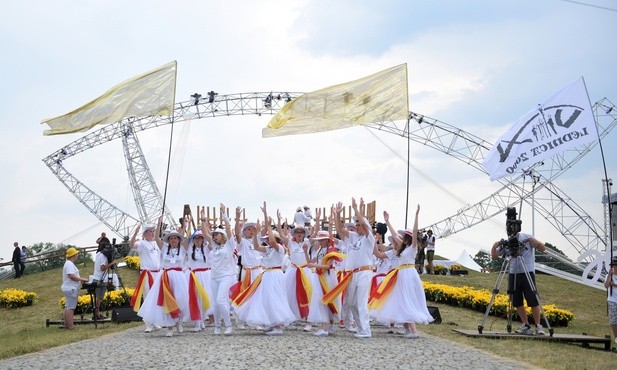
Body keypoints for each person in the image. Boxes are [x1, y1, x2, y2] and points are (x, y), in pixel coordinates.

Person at [369, 206, 434, 338]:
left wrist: (416, 215)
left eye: (404, 236)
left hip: (409, 273)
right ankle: (408, 329)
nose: (400, 238)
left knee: (407, 299)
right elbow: (393, 236)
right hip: (402, 274)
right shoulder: (402, 249)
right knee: (402, 300)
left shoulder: (413, 248)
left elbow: (415, 232)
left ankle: (414, 331)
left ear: (408, 238)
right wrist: (387, 221)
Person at [233, 202, 296, 335]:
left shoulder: (279, 248)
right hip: (267, 274)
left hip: (276, 274)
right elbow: (256, 247)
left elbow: (273, 242)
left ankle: (278, 327)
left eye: (269, 238)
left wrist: (268, 225)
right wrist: (256, 234)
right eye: (266, 238)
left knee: (275, 299)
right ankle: (273, 323)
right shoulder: (267, 249)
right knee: (267, 299)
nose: (267, 240)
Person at [490, 225, 546, 335]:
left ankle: (538, 326)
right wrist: (494, 246)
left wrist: (536, 242)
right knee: (516, 300)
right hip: (513, 272)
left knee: (532, 299)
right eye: (509, 230)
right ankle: (525, 325)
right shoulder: (506, 242)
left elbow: (543, 248)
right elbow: (495, 256)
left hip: (527, 271)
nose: (512, 232)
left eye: (513, 229)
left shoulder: (526, 237)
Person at [334, 198, 375, 338]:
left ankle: (366, 330)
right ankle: (360, 327)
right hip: (352, 274)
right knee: (351, 303)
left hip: (364, 272)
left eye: (359, 224)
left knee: (361, 303)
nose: (357, 226)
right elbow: (339, 229)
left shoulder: (369, 238)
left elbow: (363, 223)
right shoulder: (353, 237)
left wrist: (356, 208)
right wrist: (337, 214)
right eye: (356, 225)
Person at [138, 225, 190, 337]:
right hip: (166, 276)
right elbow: (157, 238)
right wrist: (158, 224)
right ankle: (170, 327)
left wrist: (187, 224)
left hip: (179, 277)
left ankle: (179, 321)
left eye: (175, 238)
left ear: (179, 239)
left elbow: (188, 236)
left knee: (181, 300)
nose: (173, 240)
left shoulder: (183, 248)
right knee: (167, 301)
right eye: (171, 238)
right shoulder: (164, 248)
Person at [202, 204, 236, 335]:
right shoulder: (214, 246)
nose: (214, 236)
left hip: (226, 276)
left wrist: (224, 214)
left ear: (222, 236)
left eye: (217, 234)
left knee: (221, 301)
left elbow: (229, 229)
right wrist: (203, 219)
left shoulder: (229, 245)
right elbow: (205, 233)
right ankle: (217, 327)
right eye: (214, 234)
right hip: (214, 277)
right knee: (215, 303)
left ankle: (228, 326)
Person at [129, 218, 162, 333]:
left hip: (157, 273)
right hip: (147, 274)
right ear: (145, 233)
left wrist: (159, 223)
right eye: (150, 231)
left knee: (156, 297)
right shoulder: (142, 243)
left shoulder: (156, 243)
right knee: (148, 297)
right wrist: (135, 233)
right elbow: (131, 245)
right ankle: (148, 323)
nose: (152, 233)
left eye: (153, 231)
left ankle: (155, 321)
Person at [61, 247, 88, 329]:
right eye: (76, 254)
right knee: (71, 308)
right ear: (73, 255)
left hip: (68, 287)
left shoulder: (68, 263)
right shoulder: (69, 264)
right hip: (71, 288)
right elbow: (71, 276)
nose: (77, 256)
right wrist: (82, 279)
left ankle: (67, 325)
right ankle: (70, 325)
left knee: (68, 307)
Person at [92, 243, 118, 320]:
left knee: (98, 297)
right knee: (99, 298)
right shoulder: (103, 256)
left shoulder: (98, 254)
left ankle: (97, 313)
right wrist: (112, 263)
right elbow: (102, 268)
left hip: (97, 278)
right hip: (100, 279)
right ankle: (96, 314)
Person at [604, 256, 617, 349]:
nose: (613, 267)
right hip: (612, 300)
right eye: (612, 265)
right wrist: (609, 275)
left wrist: (615, 284)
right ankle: (616, 338)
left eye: (615, 265)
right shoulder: (609, 276)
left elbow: (613, 285)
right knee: (613, 320)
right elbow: (606, 285)